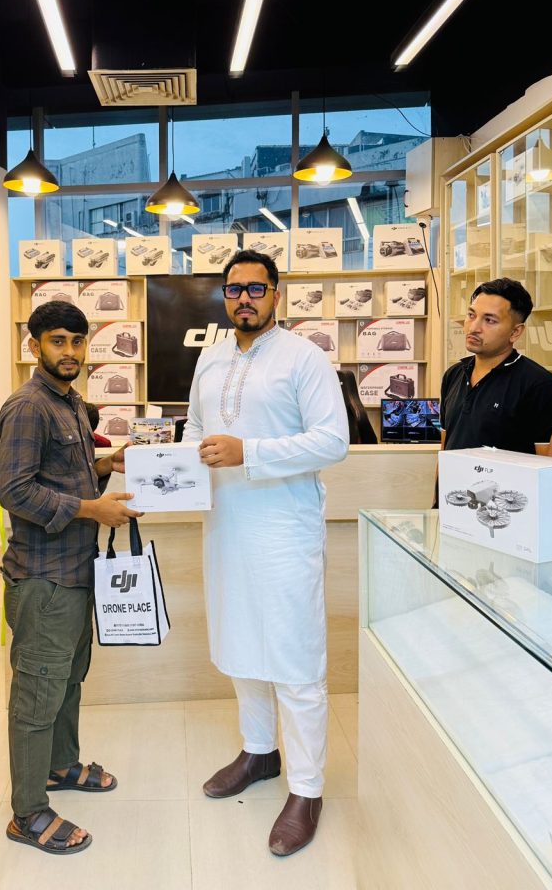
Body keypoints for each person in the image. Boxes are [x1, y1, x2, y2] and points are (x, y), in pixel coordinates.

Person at [184, 249, 349, 857]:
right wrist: (170, 472)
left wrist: (248, 453)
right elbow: (195, 431)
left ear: (276, 293)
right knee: (240, 643)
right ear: (224, 297)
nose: (244, 299)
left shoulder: (304, 357)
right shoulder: (210, 358)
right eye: (234, 290)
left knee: (293, 656)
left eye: (256, 288)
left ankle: (307, 789)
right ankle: (259, 752)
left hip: (284, 530)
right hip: (226, 526)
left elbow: (334, 441)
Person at [0, 301, 142, 856]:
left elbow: (61, 474)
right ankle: (27, 813)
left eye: (78, 342)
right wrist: (90, 509)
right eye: (58, 341)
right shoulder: (28, 407)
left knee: (67, 679)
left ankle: (60, 766)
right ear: (33, 345)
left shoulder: (73, 403)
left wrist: (106, 465)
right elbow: (15, 491)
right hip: (43, 579)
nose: (70, 352)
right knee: (37, 693)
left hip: (77, 571)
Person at [440, 278, 552, 459]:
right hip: (453, 479)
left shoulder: (540, 386)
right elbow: (445, 446)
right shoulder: (453, 374)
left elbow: (547, 465)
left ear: (515, 332)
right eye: (471, 315)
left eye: (489, 320)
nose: (474, 327)